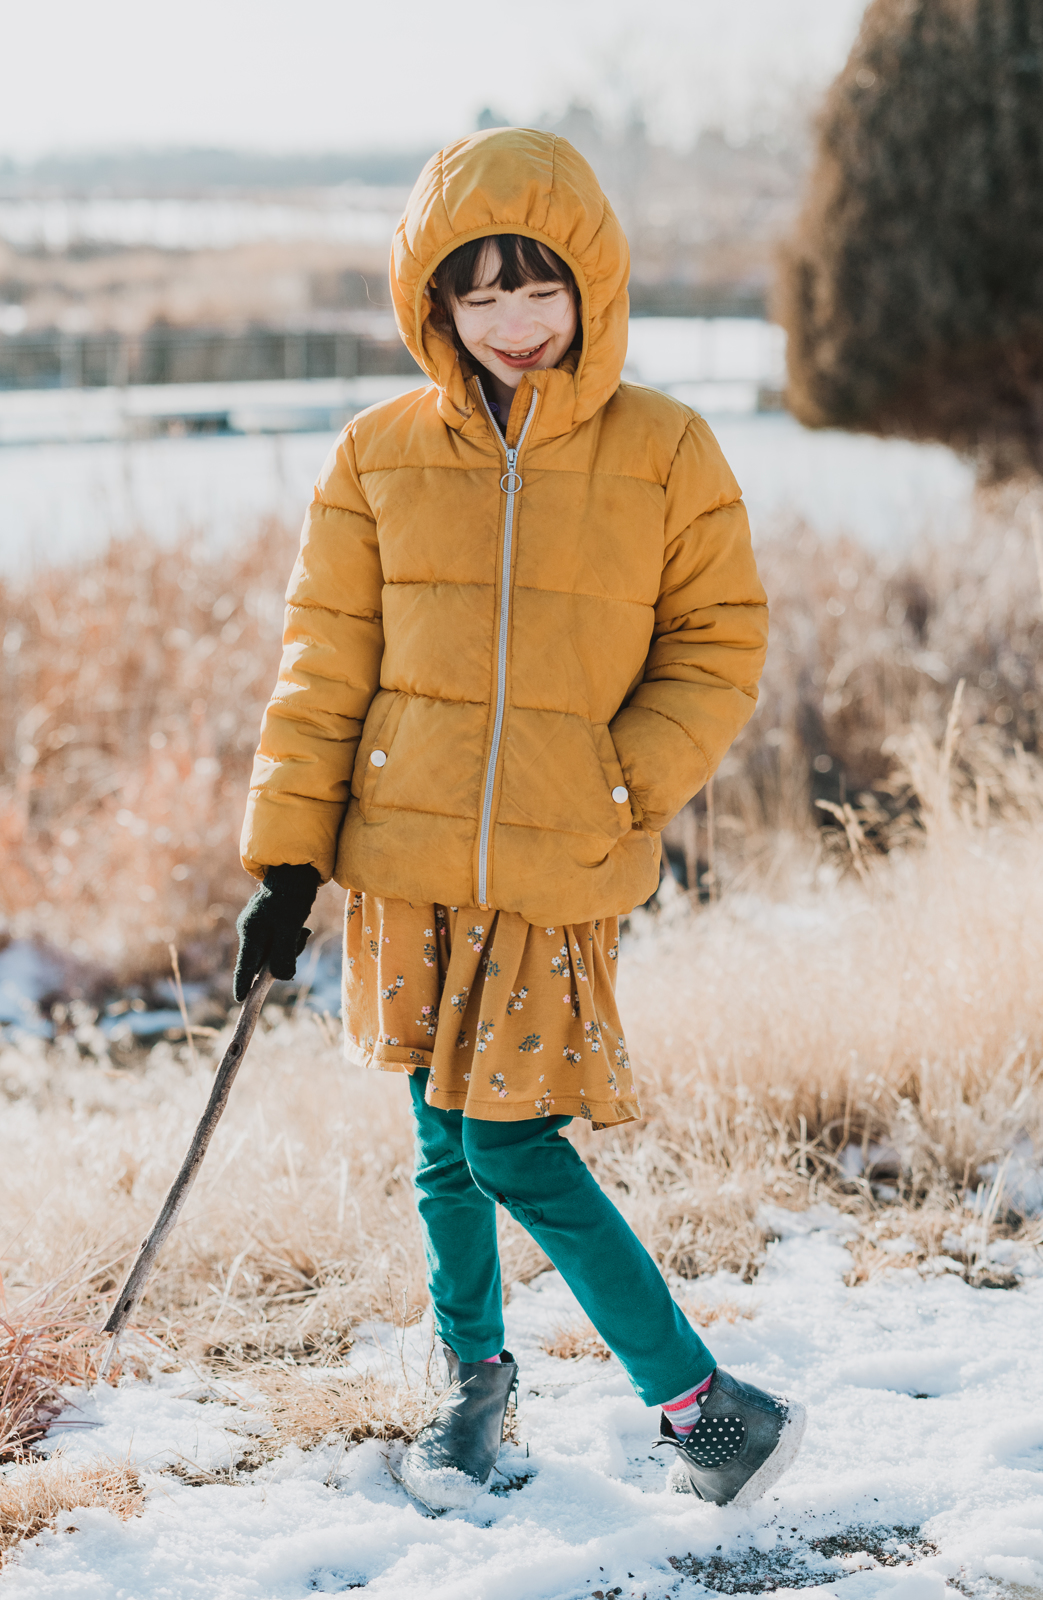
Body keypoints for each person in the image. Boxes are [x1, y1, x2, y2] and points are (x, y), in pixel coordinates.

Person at [234, 127, 804, 1511]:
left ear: (590, 282)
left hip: (555, 869)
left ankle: (703, 1407)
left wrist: (619, 783)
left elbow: (720, 642)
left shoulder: (664, 449)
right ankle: (472, 1392)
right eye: (479, 294)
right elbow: (323, 667)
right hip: (404, 860)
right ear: (433, 302)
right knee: (442, 1144)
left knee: (508, 1144)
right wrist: (289, 863)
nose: (514, 323)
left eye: (539, 287)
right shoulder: (377, 454)